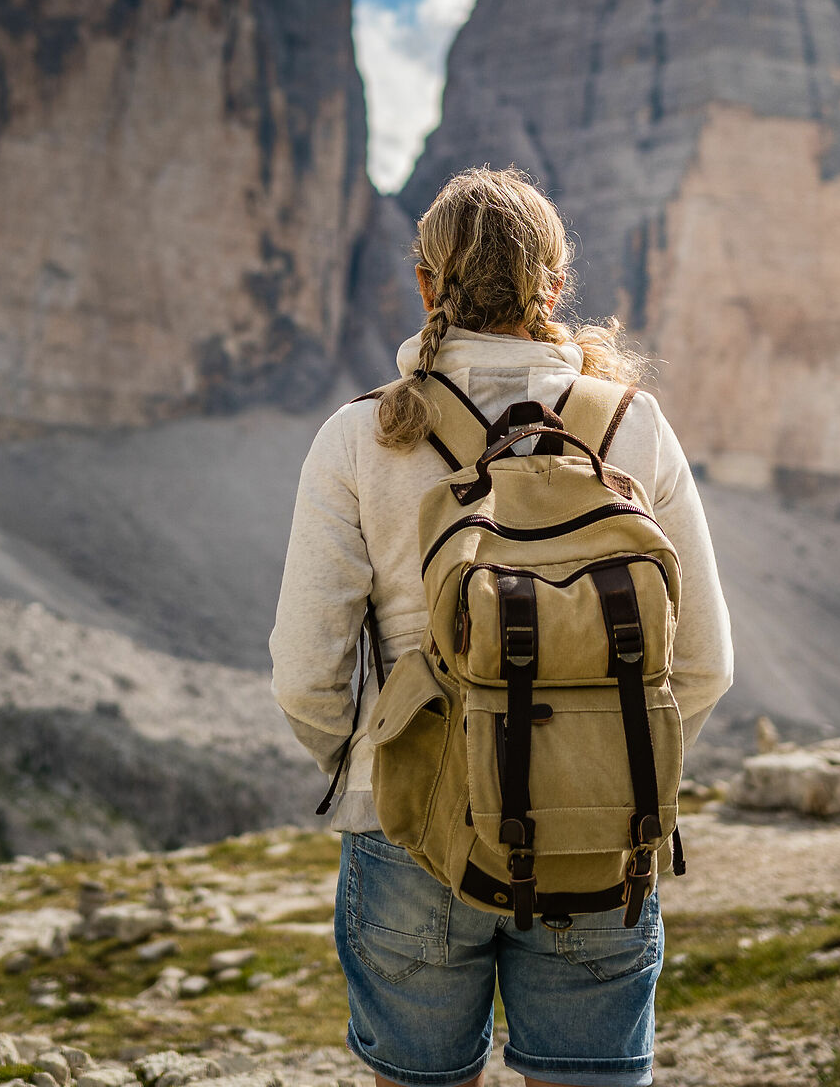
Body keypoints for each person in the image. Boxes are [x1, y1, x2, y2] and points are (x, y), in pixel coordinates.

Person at [270, 167, 735, 1087]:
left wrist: (377, 769)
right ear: (554, 288)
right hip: (601, 831)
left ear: (425, 284)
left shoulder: (360, 436)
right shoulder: (635, 426)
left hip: (410, 831)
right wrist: (601, 753)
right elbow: (705, 664)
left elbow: (306, 676)